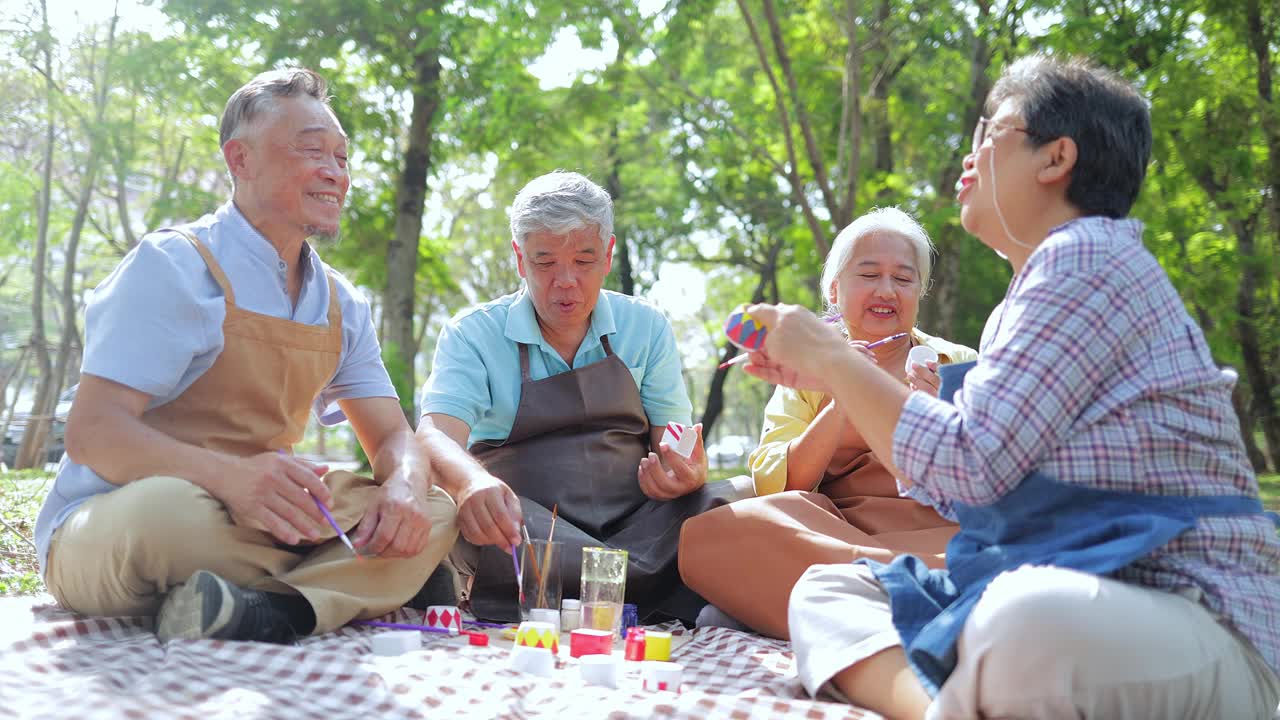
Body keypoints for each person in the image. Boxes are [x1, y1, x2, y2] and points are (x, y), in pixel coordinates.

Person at [739, 56, 1280, 718]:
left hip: (1192, 617)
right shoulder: (1034, 290)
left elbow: (969, 464)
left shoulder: (1087, 259)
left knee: (1026, 619)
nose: (967, 159)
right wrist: (843, 375)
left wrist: (832, 358)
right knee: (828, 591)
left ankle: (967, 695)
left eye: (988, 133)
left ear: (1055, 158)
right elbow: (977, 489)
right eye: (867, 274)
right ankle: (944, 709)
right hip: (1090, 600)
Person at [33, 68, 459, 644]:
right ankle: (361, 585)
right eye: (313, 151)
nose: (336, 172)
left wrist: (404, 487)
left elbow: (391, 438)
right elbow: (93, 433)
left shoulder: (341, 302)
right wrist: (232, 480)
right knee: (168, 514)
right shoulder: (173, 265)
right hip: (122, 520)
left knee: (434, 511)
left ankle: (267, 610)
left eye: (342, 157)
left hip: (262, 518)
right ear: (240, 160)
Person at [416, 171, 750, 623]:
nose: (566, 281)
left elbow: (675, 442)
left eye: (584, 260)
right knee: (469, 517)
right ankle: (669, 592)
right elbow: (435, 434)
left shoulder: (646, 326)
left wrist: (684, 474)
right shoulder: (473, 334)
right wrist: (471, 484)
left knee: (742, 498)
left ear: (609, 255)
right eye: (546, 262)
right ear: (519, 259)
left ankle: (623, 586)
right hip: (531, 529)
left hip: (640, 525)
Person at [679, 207, 975, 639]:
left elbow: (992, 479)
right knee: (715, 532)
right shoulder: (807, 370)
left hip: (935, 537)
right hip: (836, 536)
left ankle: (814, 605)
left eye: (904, 278)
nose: (886, 290)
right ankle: (892, 598)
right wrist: (845, 392)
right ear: (835, 290)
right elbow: (787, 484)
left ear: (920, 291)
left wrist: (935, 415)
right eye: (870, 274)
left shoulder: (957, 363)